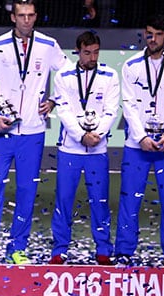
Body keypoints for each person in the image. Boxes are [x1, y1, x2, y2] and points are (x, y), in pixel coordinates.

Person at [0, 0, 67, 265]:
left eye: (30, 15)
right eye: (21, 15)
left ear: (35, 17)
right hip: (3, 132)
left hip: (33, 133)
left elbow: (69, 73)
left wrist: (55, 100)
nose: (26, 20)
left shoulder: (48, 45)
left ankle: (17, 248)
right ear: (13, 17)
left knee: (26, 191)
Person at [115, 13, 164, 267]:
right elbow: (128, 104)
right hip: (137, 145)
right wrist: (141, 136)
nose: (153, 38)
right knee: (130, 197)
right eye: (149, 33)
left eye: (158, 34)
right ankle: (124, 250)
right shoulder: (132, 65)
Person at [48, 31, 119, 265]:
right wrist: (81, 135)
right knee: (64, 200)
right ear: (78, 51)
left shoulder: (109, 75)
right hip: (70, 149)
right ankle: (59, 250)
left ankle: (103, 250)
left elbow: (111, 110)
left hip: (98, 150)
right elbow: (64, 110)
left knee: (99, 200)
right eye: (87, 52)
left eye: (96, 52)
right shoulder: (64, 76)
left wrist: (97, 135)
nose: (92, 57)